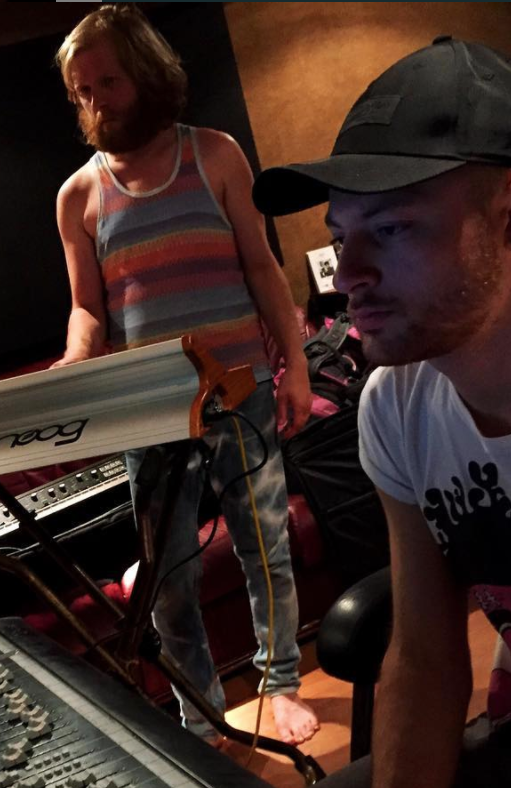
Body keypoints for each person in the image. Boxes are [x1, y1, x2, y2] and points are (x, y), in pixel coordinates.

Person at [252, 37, 511, 788]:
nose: (351, 277)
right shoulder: (397, 405)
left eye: (394, 228)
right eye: (344, 237)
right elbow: (422, 655)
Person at [52, 4, 318, 746]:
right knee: (166, 575)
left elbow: (263, 270)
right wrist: (75, 358)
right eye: (81, 92)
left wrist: (294, 365)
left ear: (146, 72)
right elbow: (87, 309)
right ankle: (196, 716)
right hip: (151, 408)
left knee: (263, 541)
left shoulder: (217, 155)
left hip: (241, 391)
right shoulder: (79, 197)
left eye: (107, 81)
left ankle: (279, 684)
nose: (96, 101)